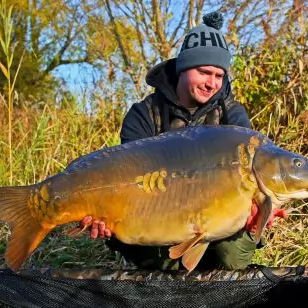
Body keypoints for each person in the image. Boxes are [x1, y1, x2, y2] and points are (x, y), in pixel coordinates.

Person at [80, 11, 287, 271]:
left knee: (232, 258)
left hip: (214, 216)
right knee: (165, 264)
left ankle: (210, 269)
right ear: (183, 69)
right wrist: (102, 212)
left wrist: (259, 211)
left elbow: (247, 181)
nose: (212, 83)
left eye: (219, 75)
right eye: (204, 72)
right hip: (156, 214)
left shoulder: (232, 115)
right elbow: (125, 176)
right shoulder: (144, 113)